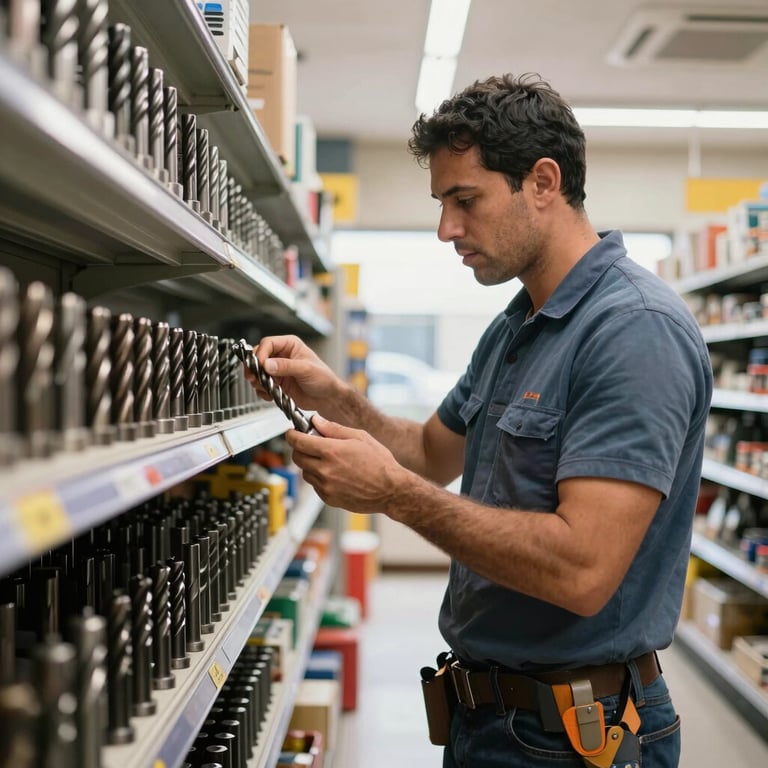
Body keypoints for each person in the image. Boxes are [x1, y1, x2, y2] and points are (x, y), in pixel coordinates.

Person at [244, 73, 712, 768]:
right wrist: (332, 396)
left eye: (465, 201)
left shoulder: (633, 331)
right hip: (491, 718)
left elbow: (584, 568)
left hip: (576, 737)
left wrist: (392, 497)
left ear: (543, 183)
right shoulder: (516, 326)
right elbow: (432, 452)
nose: (446, 230)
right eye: (441, 204)